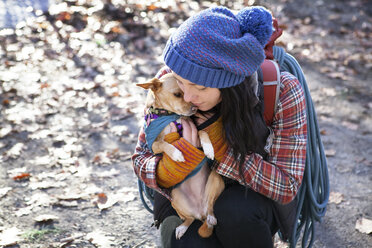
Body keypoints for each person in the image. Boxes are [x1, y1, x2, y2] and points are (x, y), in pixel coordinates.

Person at [132, 5, 307, 248]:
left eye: (201, 88)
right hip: (186, 198)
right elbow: (141, 158)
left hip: (249, 203)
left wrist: (224, 154)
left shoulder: (282, 90)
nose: (189, 97)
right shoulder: (168, 81)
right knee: (191, 242)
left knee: (235, 211)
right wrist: (168, 168)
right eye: (182, 84)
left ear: (229, 84)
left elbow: (287, 185)